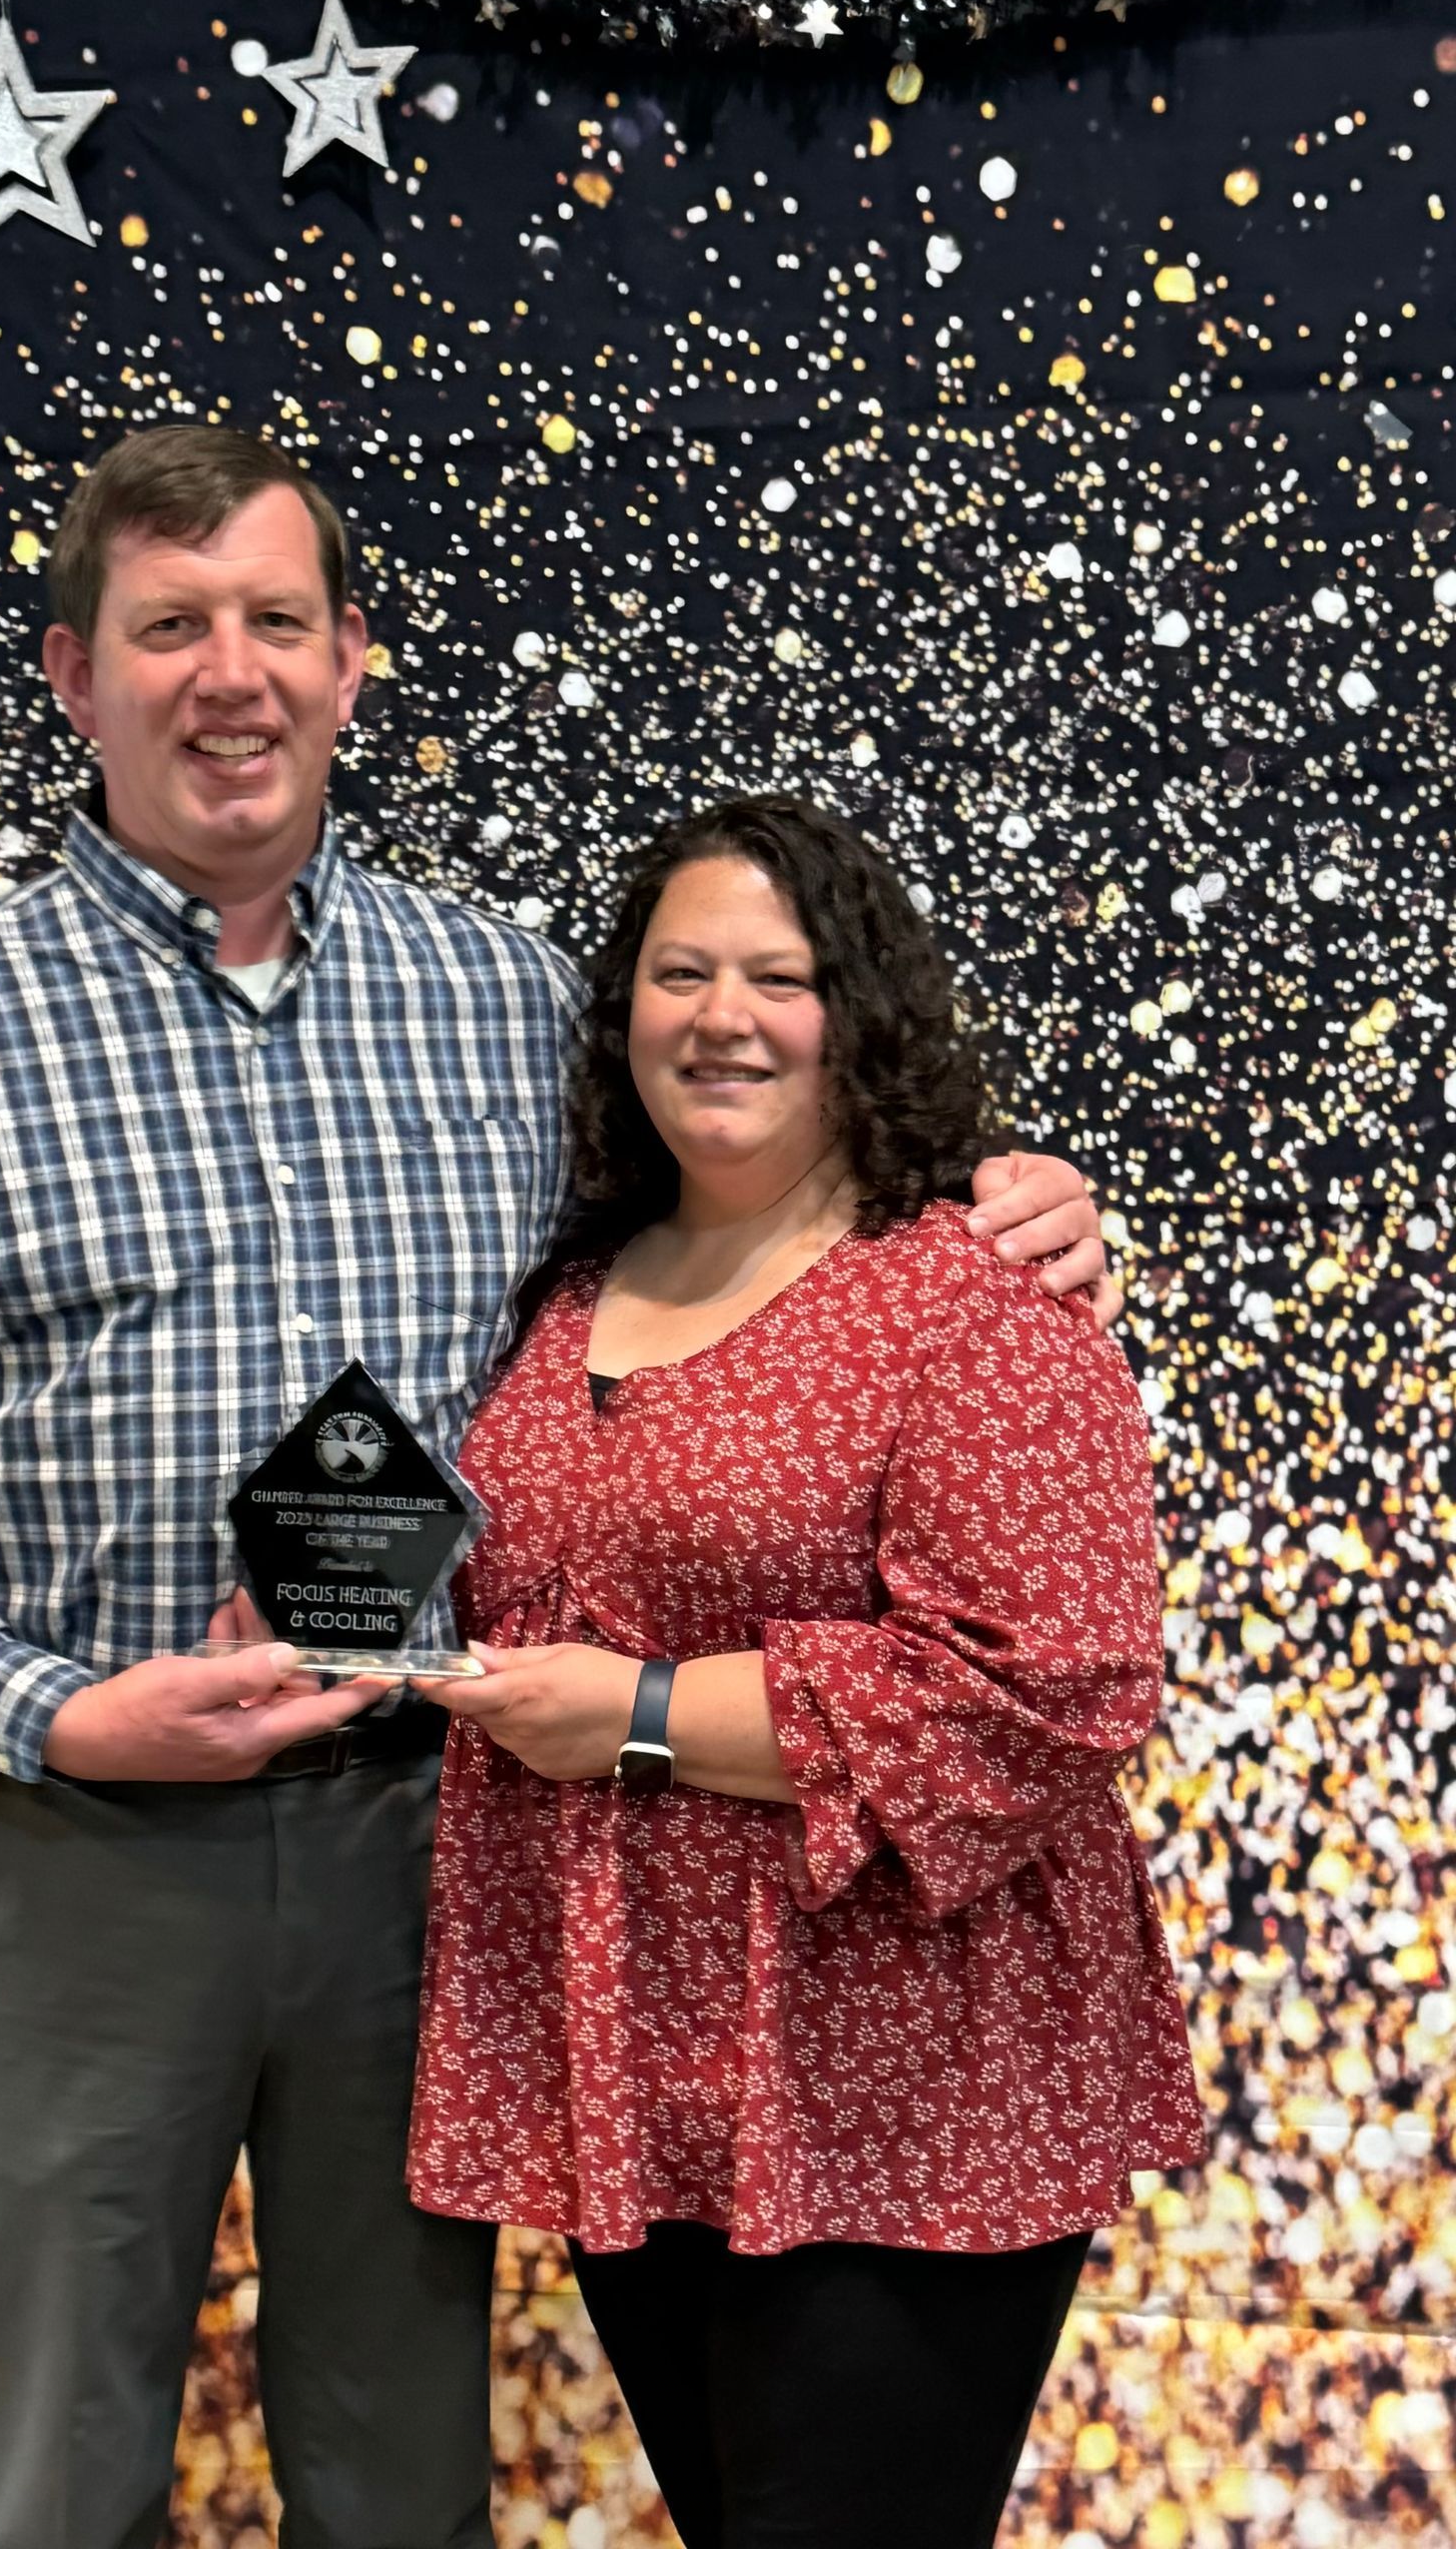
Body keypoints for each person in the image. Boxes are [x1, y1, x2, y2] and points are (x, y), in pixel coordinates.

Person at [0, 425, 1116, 2549]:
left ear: (353, 665)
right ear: (77, 678)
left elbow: (749, 1217)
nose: (228, 675)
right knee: (63, 2468)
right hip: (84, 1856)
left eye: (275, 621)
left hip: (437, 1846)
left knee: (399, 2468)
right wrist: (42, 1705)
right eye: (169, 628)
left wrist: (1004, 1191)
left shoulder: (514, 996)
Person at [408, 797, 1205, 2549]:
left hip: (905, 2090)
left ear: (862, 1013)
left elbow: (1049, 1691)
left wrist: (625, 1718)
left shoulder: (973, 1292)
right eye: (679, 971)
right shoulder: (572, 1285)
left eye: (781, 976)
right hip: (645, 2067)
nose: (723, 1014)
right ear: (618, 1013)